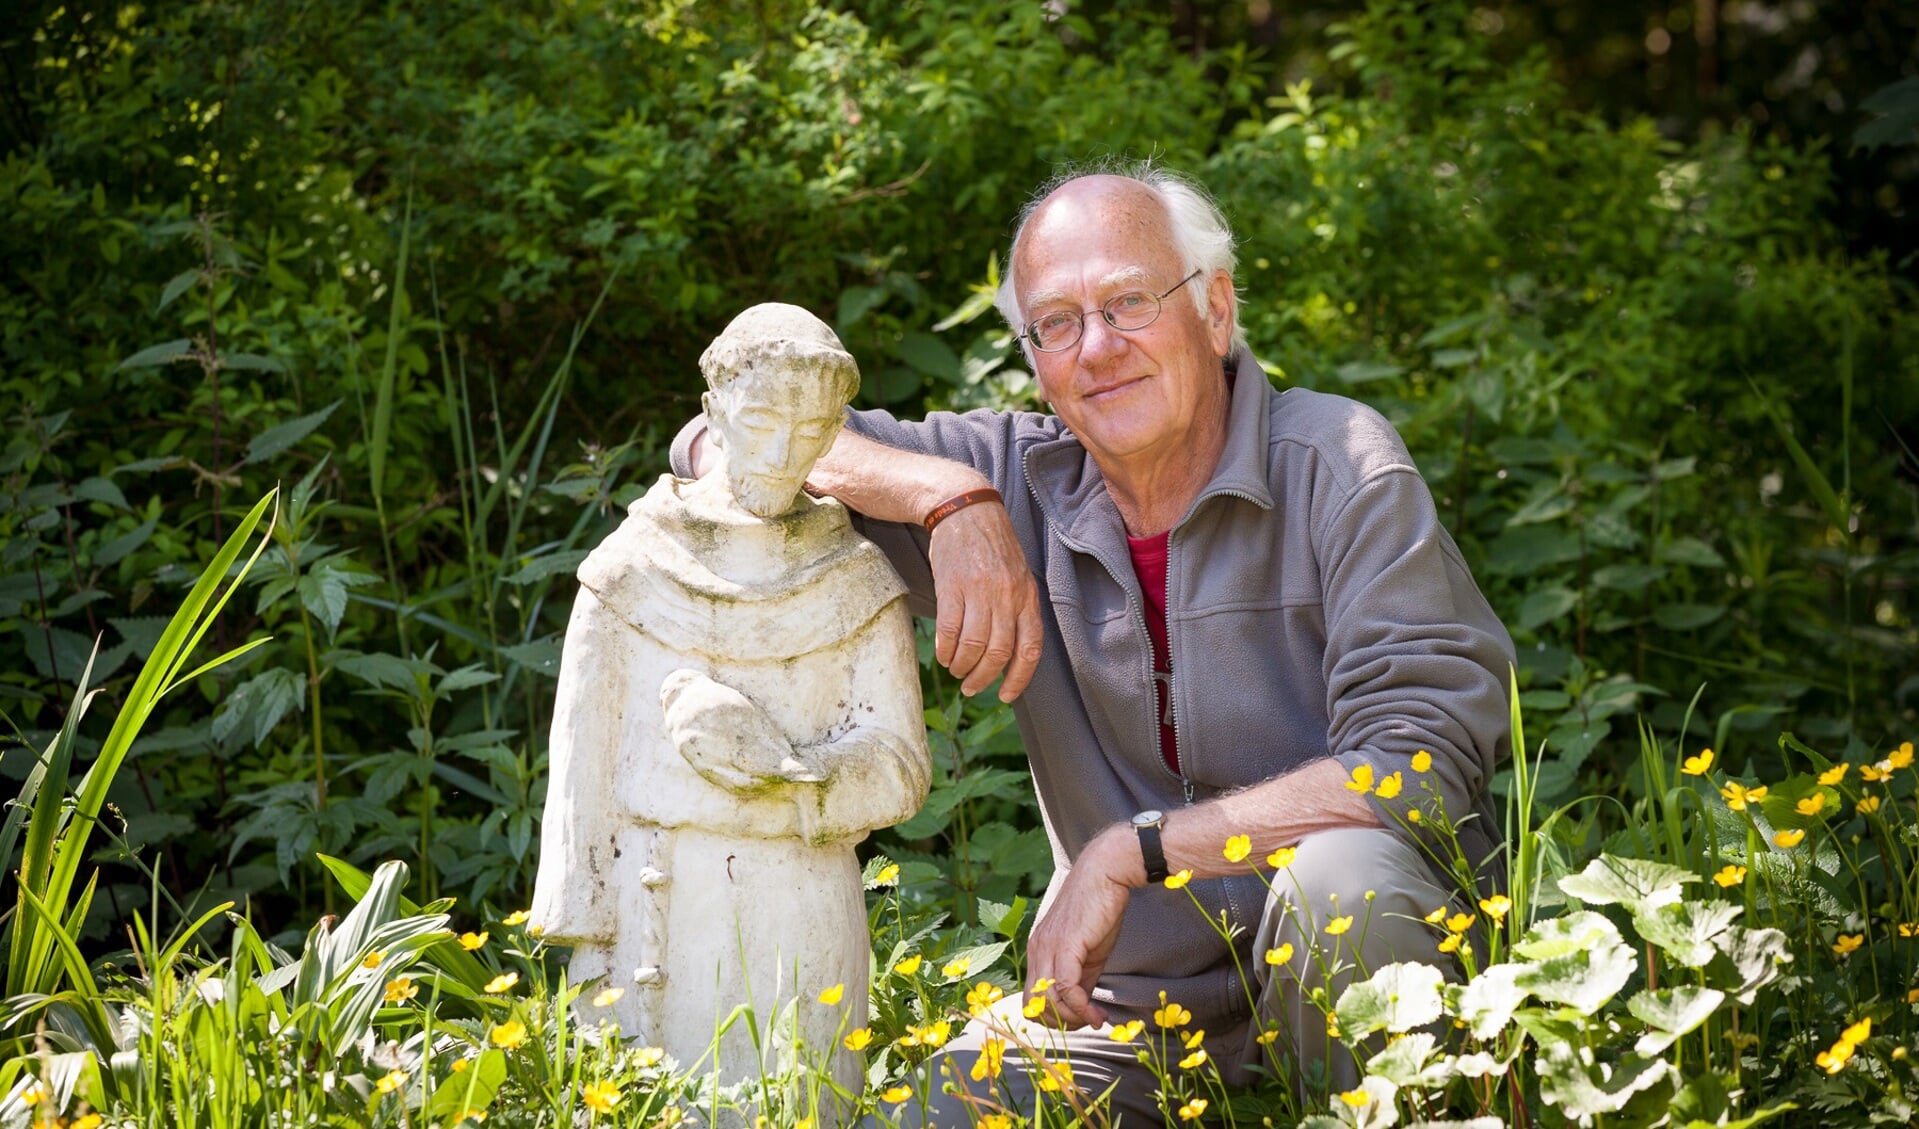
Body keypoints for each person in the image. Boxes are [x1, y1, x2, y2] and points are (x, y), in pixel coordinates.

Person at [671, 165, 1514, 1124]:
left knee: (1341, 878)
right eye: (1057, 323)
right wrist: (949, 500)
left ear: (1215, 307)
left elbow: (1414, 769)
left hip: (1356, 971)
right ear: (1031, 354)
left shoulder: (1341, 465)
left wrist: (1135, 851)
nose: (1097, 348)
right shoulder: (1013, 475)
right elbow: (728, 439)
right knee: (936, 1110)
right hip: (1128, 1015)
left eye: (1127, 301)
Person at [534, 303, 931, 1102]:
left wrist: (787, 770)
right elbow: (579, 785)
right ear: (713, 414)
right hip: (664, 902)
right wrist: (584, 938)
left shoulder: (854, 577)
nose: (786, 455)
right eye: (760, 421)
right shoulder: (631, 570)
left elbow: (901, 767)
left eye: (814, 429)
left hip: (805, 907)